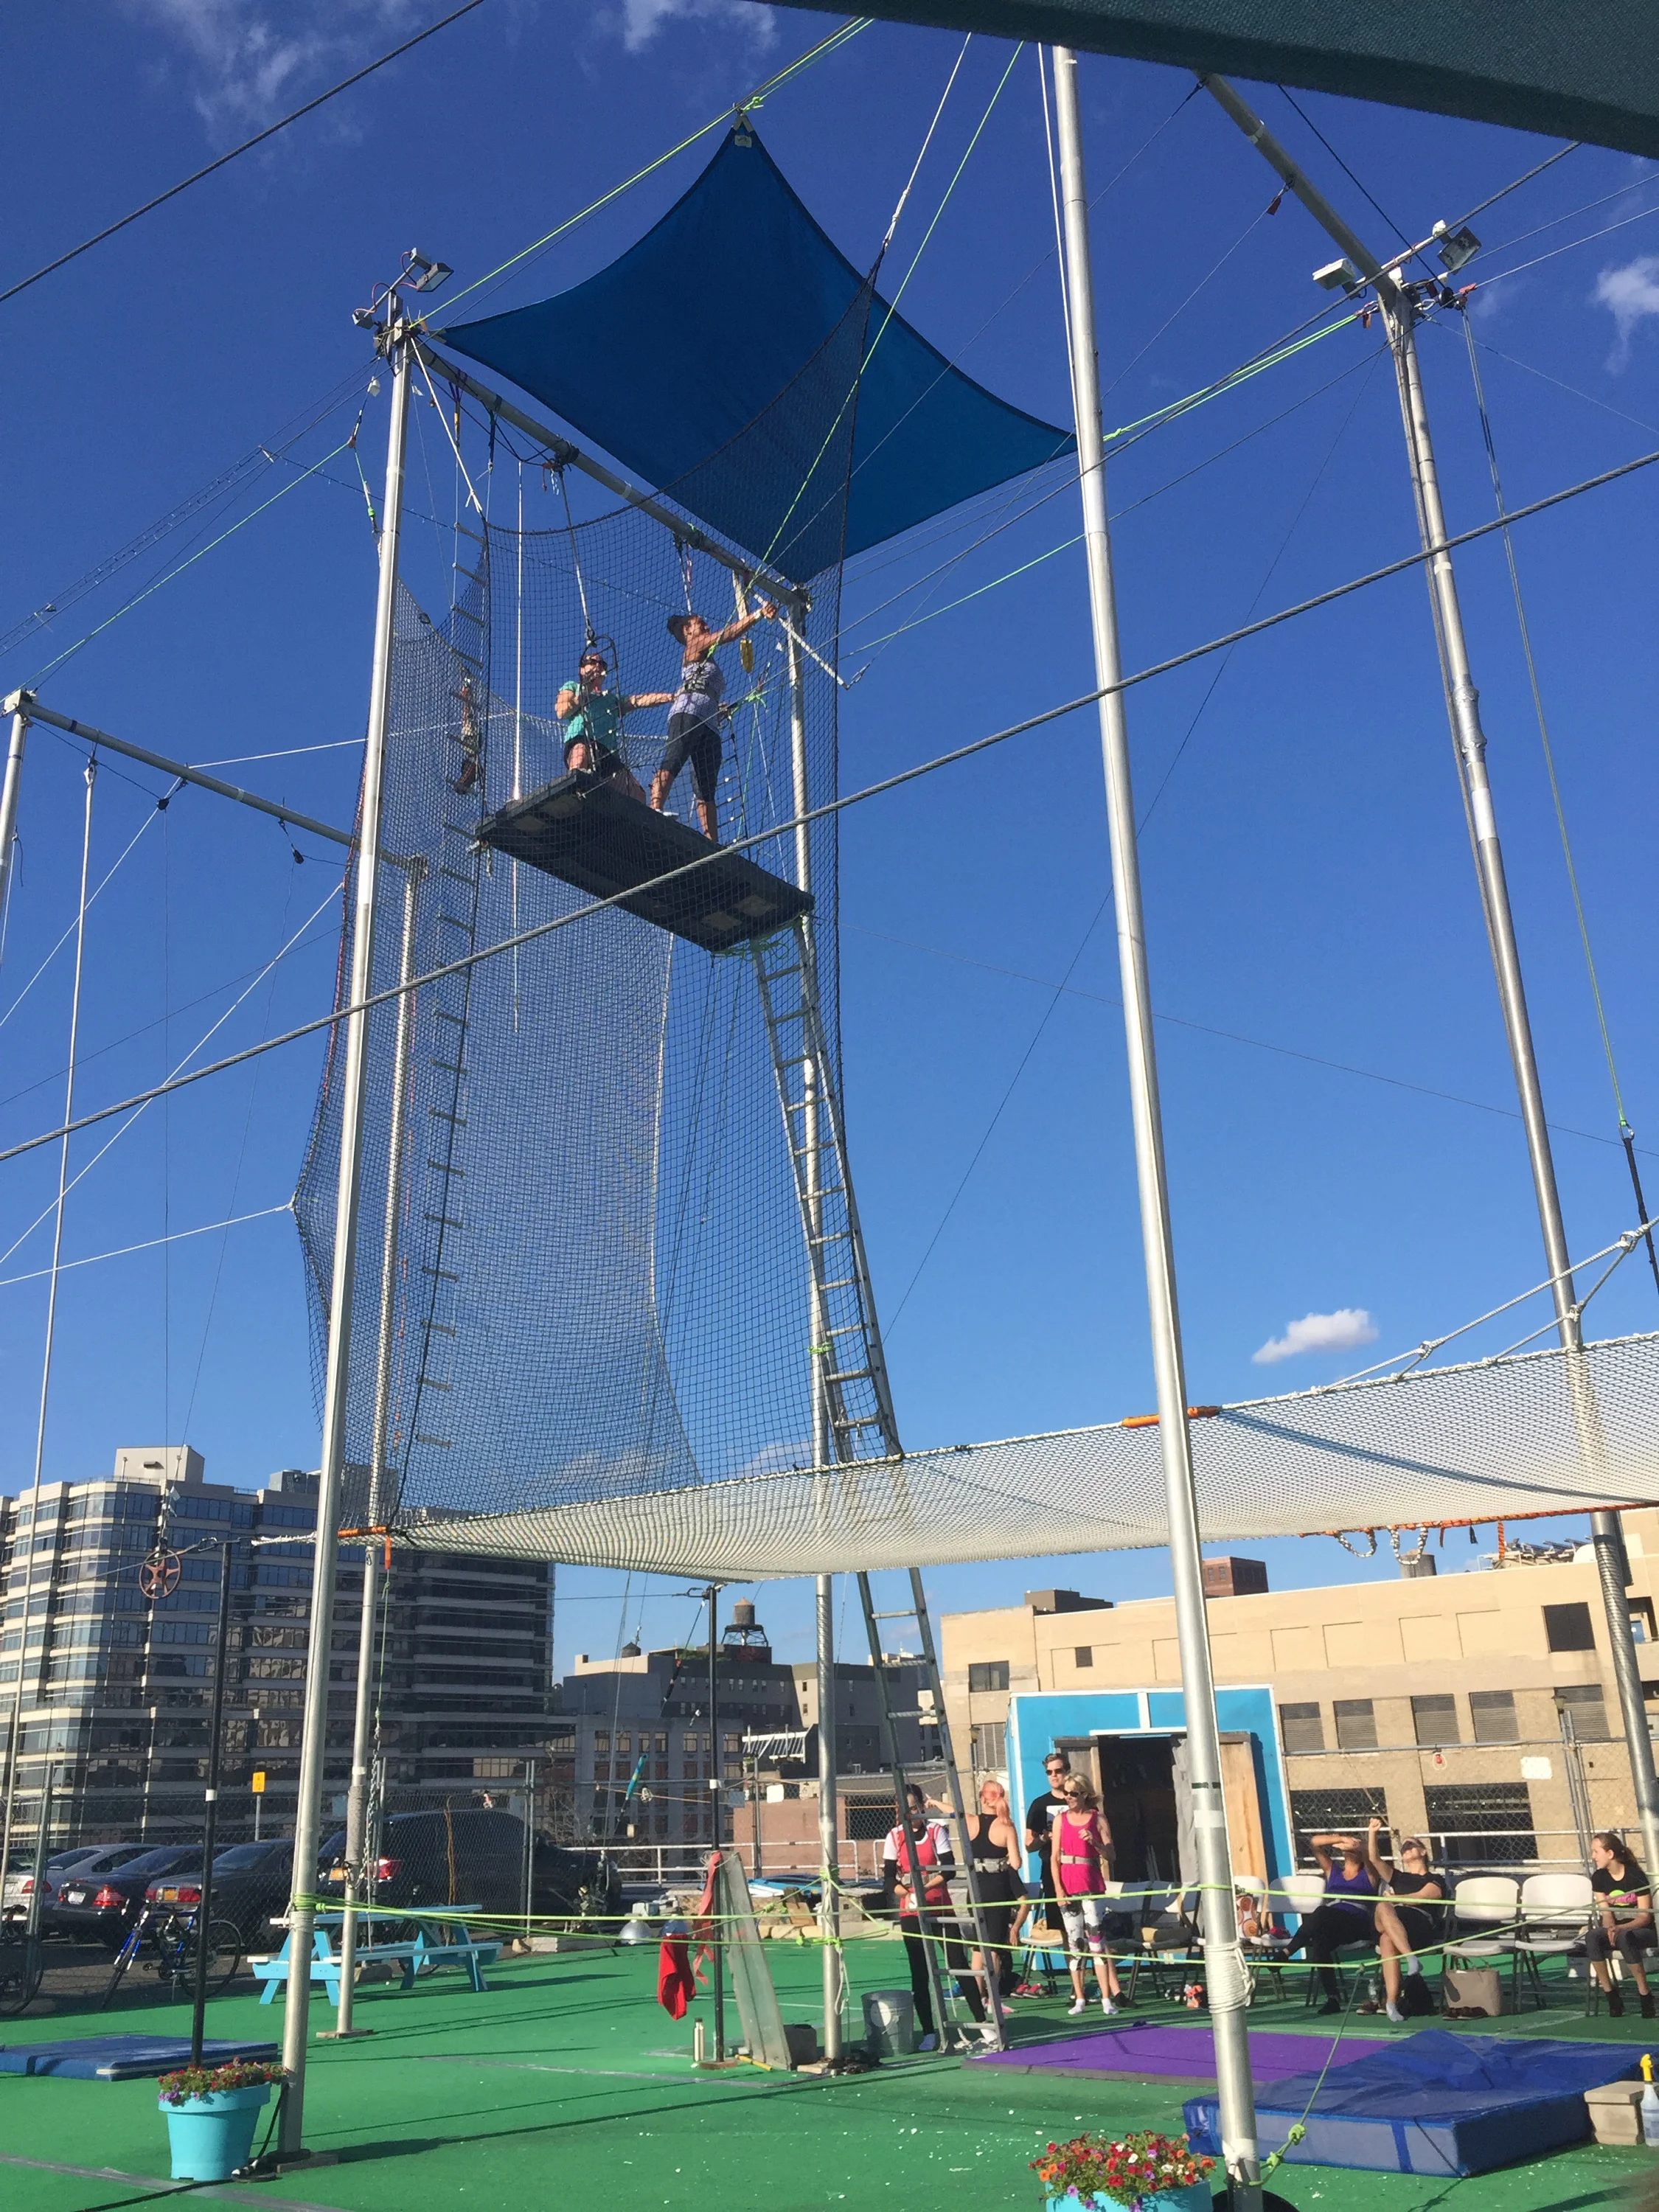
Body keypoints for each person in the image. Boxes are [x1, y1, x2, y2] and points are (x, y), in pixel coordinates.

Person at [651, 600, 776, 842]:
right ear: (687, 630)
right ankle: (655, 807)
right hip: (688, 711)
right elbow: (727, 635)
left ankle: (712, 842)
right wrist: (758, 614)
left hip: (708, 721)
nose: (707, 626)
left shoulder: (705, 658)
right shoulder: (695, 645)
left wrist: (717, 709)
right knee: (675, 758)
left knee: (706, 785)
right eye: (701, 623)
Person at [883, 1784, 983, 2047]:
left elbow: (948, 1870)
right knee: (919, 1972)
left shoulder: (936, 1831)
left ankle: (983, 2024)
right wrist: (906, 1893)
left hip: (940, 1907)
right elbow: (888, 1878)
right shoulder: (894, 1836)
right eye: (905, 1809)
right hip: (911, 1911)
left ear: (921, 1806)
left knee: (958, 1964)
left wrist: (925, 1888)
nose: (911, 1814)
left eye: (914, 1808)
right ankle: (929, 2032)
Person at [555, 645, 669, 800]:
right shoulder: (573, 687)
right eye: (593, 662)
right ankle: (573, 798)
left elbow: (639, 700)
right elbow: (562, 711)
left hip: (608, 752)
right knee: (580, 756)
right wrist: (586, 688)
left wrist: (672, 697)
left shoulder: (611, 699)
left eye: (602, 664)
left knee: (637, 794)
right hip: (582, 740)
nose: (598, 666)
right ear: (582, 669)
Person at [1284, 1831, 1380, 2014]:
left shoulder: (1369, 1874)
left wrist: (1359, 1846)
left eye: (1354, 1848)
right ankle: (1333, 1998)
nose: (1349, 1849)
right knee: (1320, 1941)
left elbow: (1370, 1854)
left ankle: (1288, 1951)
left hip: (1356, 1924)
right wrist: (1341, 1838)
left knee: (1321, 1912)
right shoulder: (1333, 1871)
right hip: (1332, 1924)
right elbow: (1314, 1843)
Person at [1364, 1820, 1447, 2023]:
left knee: (1386, 1939)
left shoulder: (1435, 1878)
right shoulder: (1398, 1877)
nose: (1407, 1849)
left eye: (1411, 1845)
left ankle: (1391, 2002)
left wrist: (1396, 1898)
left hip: (1418, 1924)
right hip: (1392, 1917)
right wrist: (1372, 1832)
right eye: (1404, 1848)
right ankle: (1411, 1959)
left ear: (1423, 1851)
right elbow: (1374, 1859)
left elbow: (1424, 1897)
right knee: (1383, 1906)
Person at [1053, 1773, 1122, 2016]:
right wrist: (1059, 1889)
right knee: (1075, 1944)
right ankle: (1080, 1998)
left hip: (1091, 1884)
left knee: (1097, 1943)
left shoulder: (1098, 1818)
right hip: (1069, 1884)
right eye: (1066, 1793)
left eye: (1073, 1793)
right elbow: (1054, 1857)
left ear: (1085, 1794)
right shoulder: (1060, 1820)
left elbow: (1111, 1856)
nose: (1069, 1798)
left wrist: (1095, 1843)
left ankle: (1106, 1998)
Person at [967, 1776, 1023, 2006]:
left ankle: (977, 1998)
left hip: (975, 1887)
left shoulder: (970, 1821)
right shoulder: (1006, 1825)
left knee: (977, 1948)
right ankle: (992, 1998)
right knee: (994, 1949)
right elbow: (1016, 1863)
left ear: (982, 1798)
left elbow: (952, 1811)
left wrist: (935, 1803)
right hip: (997, 1888)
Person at [1587, 1829, 1655, 2017]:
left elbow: (1645, 1917)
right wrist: (1610, 1927)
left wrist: (1620, 1928)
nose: (1593, 1857)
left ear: (1610, 1854)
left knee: (1625, 1937)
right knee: (1592, 1937)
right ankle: (1611, 1994)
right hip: (1616, 1929)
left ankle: (1645, 1994)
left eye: (1596, 1852)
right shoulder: (1598, 1878)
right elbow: (1606, 1912)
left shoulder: (1635, 1876)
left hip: (1641, 1930)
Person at [1025, 1751, 1072, 1934]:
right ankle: (1070, 1955)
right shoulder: (1039, 1805)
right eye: (1049, 1772)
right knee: (1060, 1926)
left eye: (1058, 1771)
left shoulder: (1079, 1799)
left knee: (1087, 1924)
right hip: (1051, 1870)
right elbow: (1029, 1845)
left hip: (1078, 1866)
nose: (1053, 1775)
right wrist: (1044, 1838)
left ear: (1067, 1771)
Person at [452, 670, 483, 795]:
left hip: (470, 743)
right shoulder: (470, 772)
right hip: (471, 743)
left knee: (467, 712)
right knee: (468, 711)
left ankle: (467, 685)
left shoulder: (468, 772)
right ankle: (467, 684)